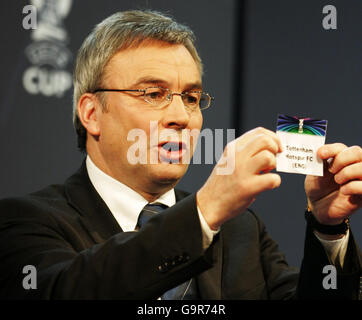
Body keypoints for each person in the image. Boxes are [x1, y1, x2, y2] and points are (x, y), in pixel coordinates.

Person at [0, 10, 361, 300]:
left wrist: (327, 229)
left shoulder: (240, 230)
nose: (181, 116)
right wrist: (203, 213)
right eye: (153, 94)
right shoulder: (24, 222)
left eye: (191, 98)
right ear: (92, 113)